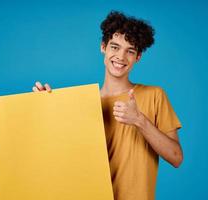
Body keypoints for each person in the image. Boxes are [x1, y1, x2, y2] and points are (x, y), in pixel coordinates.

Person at [32, 11, 183, 200]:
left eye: (130, 50)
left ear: (138, 57)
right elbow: (58, 157)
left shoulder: (154, 95)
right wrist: (44, 107)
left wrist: (139, 120)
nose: (121, 56)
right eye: (115, 47)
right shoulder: (81, 103)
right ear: (103, 47)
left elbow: (176, 157)